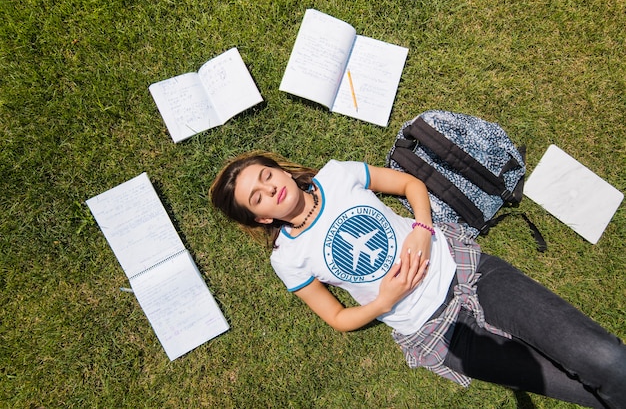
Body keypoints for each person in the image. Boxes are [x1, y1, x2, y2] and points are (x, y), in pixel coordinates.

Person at [210, 151, 626, 408]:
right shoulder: (288, 259)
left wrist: (423, 232)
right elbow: (336, 317)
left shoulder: (337, 175)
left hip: (468, 272)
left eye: (265, 177)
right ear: (261, 217)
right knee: (579, 391)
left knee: (607, 360)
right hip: (435, 333)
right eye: (257, 198)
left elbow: (410, 185)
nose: (269, 189)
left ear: (277, 169)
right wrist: (383, 301)